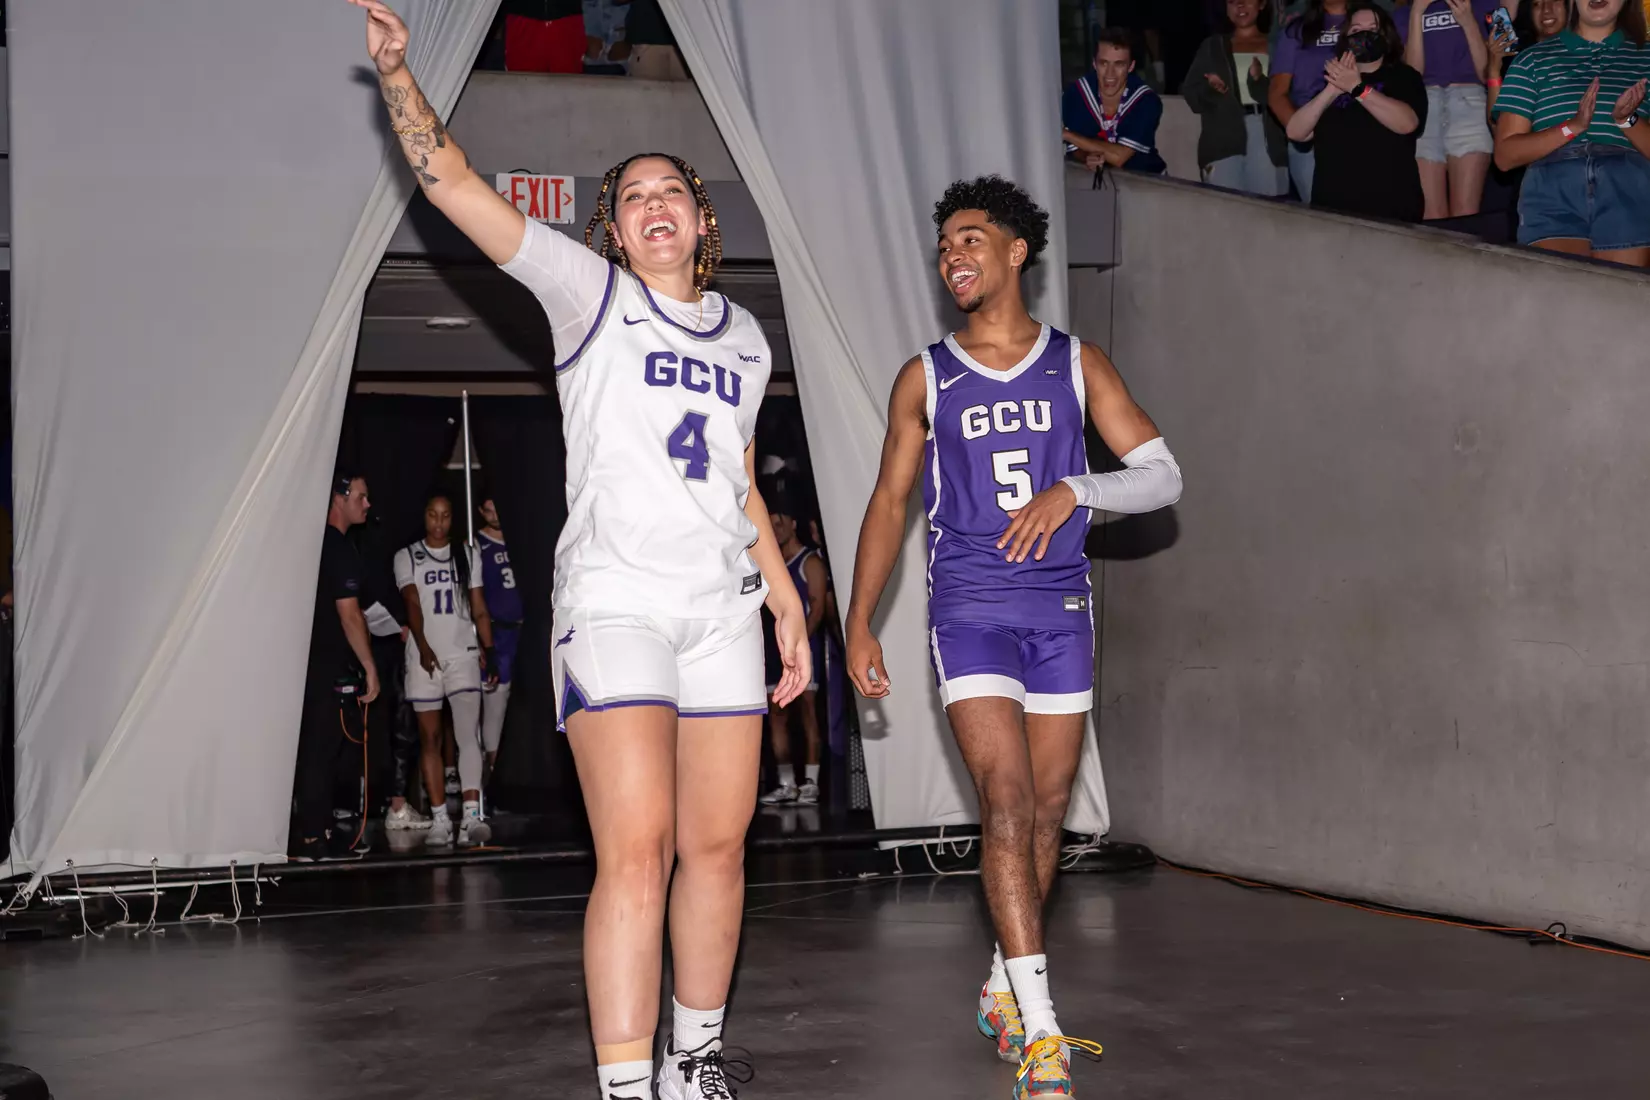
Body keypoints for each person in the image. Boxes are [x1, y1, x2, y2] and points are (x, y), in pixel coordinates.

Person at [349, 6, 811, 1098]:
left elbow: (739, 482)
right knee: (637, 851)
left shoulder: (744, 337)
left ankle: (693, 1067)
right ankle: (626, 1086)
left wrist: (784, 601)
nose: (654, 206)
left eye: (672, 194)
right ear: (614, 230)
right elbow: (455, 185)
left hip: (721, 609)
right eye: (632, 196)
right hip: (616, 604)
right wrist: (402, 78)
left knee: (718, 850)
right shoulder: (588, 297)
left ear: (704, 222)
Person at [845, 177, 1182, 1100]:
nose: (954, 256)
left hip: (1059, 607)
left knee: (1045, 808)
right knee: (1001, 798)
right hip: (970, 604)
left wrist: (1079, 489)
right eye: (945, 246)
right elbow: (888, 501)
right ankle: (1043, 1031)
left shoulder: (1078, 363)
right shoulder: (926, 374)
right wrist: (858, 618)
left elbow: (1161, 477)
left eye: (970, 240)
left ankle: (1002, 981)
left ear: (1016, 252)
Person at [1492, 0, 1650, 266]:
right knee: (1561, 298)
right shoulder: (1533, 59)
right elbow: (1505, 155)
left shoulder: (1645, 56)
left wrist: (1627, 120)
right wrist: (1572, 127)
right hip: (1552, 185)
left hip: (1627, 184)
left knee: (1618, 298)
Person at [395, 494, 497, 849]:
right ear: (424, 516)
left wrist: (490, 650)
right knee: (431, 739)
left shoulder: (468, 554)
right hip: (424, 658)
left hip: (463, 656)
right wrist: (423, 646)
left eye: (445, 516)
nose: (438, 522)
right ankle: (440, 818)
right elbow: (411, 602)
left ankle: (470, 815)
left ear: (452, 519)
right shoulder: (407, 556)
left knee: (468, 734)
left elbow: (480, 606)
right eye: (432, 514)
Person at [291, 474, 381, 862]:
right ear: (339, 499)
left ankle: (319, 826)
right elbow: (350, 615)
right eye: (361, 497)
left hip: (302, 660)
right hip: (323, 663)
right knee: (320, 749)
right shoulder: (337, 547)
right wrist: (369, 666)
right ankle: (313, 837)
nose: (367, 505)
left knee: (319, 748)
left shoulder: (309, 542)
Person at [1286, 2, 1428, 221]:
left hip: (1391, 212)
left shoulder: (1404, 76)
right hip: (1333, 213)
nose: (1364, 34)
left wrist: (1357, 88)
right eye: (1355, 30)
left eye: (1373, 29)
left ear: (1386, 35)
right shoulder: (1331, 85)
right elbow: (1296, 132)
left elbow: (1407, 123)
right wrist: (1332, 90)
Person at [1395, 0, 1496, 218]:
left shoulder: (1490, 4)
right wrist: (1417, 13)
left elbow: (1492, 73)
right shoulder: (1402, 14)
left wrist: (1468, 22)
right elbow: (1413, 76)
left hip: (1471, 99)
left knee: (1466, 214)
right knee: (1430, 216)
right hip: (1425, 103)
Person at [757, 501, 828, 807]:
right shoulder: (770, 564)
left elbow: (819, 608)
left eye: (780, 522)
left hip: (802, 647)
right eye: (770, 524)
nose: (775, 529)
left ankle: (811, 783)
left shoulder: (808, 562)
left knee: (808, 712)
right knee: (777, 716)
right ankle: (787, 784)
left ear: (793, 524)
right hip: (775, 653)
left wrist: (799, 644)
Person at [1185, 0, 1291, 195]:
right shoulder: (1213, 46)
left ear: (1261, 4)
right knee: (1225, 212)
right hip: (1222, 138)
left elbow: (1289, 94)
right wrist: (1212, 90)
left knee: (1269, 213)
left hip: (1268, 138)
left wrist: (1259, 81)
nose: (1240, 6)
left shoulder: (1278, 45)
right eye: (1233, 1)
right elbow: (1191, 95)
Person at [1271, 0, 1353, 199]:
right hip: (1311, 146)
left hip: (1358, 136)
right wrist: (1302, 131)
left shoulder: (1368, 22)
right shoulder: (1297, 30)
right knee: (1322, 219)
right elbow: (1276, 94)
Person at [1062, 29, 1169, 176]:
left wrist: (1066, 134)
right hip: (1096, 183)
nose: (1110, 74)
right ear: (1094, 63)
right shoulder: (1077, 93)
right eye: (1104, 63)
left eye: (1119, 64)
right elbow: (1076, 150)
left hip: (1147, 183)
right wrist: (1088, 157)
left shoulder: (1146, 100)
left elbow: (1119, 157)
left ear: (1131, 67)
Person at [475, 497, 521, 779]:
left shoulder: (520, 539)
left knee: (511, 704)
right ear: (481, 511)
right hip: (495, 631)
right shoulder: (478, 545)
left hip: (520, 630)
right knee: (493, 701)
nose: (495, 515)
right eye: (489, 509)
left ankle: (506, 768)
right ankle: (489, 769)